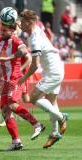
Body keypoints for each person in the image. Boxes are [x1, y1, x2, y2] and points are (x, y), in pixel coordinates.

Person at [0, 16, 45, 151]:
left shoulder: (16, 41)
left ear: (12, 31)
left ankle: (37, 124)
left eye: (5, 30)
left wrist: (8, 57)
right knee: (5, 110)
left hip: (15, 78)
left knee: (12, 104)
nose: (2, 32)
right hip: (6, 81)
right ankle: (16, 141)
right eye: (1, 30)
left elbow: (24, 51)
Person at [18, 9, 69, 149]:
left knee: (33, 98)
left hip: (53, 72)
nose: (20, 24)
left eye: (22, 22)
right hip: (56, 67)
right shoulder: (36, 29)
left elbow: (35, 65)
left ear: (29, 22)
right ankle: (54, 133)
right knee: (51, 101)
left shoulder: (34, 38)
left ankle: (61, 117)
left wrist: (24, 78)